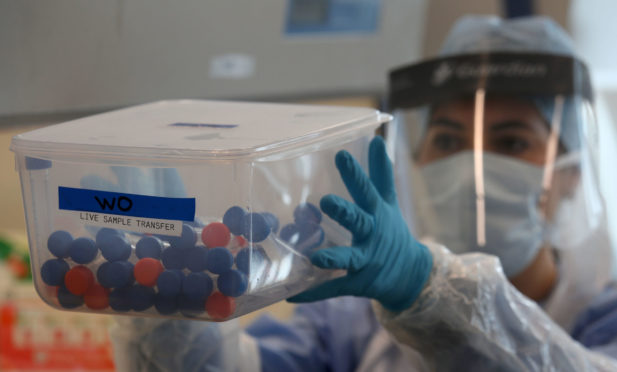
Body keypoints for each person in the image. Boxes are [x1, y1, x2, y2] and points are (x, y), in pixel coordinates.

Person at [110, 16, 617, 371]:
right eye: (445, 140)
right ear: (416, 160)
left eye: (511, 142)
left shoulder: (604, 314)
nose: (471, 166)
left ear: (571, 171)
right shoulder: (354, 315)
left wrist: (426, 290)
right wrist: (172, 316)